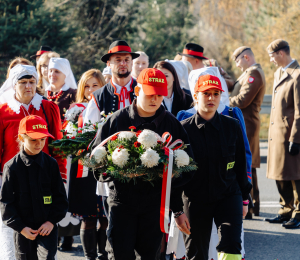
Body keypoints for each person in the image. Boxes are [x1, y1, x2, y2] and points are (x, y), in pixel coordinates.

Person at [92, 68, 194, 260]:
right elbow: (96, 162)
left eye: (159, 95)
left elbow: (188, 165)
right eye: (149, 94)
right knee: (119, 254)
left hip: (154, 206)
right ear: (137, 91)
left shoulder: (172, 124)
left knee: (151, 255)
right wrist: (119, 173)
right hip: (122, 204)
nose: (154, 99)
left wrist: (169, 175)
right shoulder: (117, 121)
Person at [180, 74, 252, 260]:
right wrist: (177, 210)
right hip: (195, 199)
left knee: (231, 247)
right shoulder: (183, 129)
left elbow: (240, 166)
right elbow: (176, 173)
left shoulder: (233, 126)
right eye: (206, 93)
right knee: (196, 252)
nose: (211, 98)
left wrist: (244, 198)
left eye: (216, 94)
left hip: (228, 196)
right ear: (196, 96)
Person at [0, 64, 67, 260]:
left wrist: (61, 176)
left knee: (44, 242)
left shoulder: (48, 107)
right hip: (11, 176)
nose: (28, 86)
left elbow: (58, 145)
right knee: (11, 231)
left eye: (32, 82)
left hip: (43, 175)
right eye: (23, 82)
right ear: (14, 85)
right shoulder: (3, 111)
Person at [67, 69, 107, 260]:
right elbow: (68, 137)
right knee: (88, 216)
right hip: (83, 167)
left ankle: (103, 254)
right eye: (87, 86)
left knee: (106, 217)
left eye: (95, 85)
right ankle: (90, 256)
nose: (90, 90)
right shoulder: (75, 109)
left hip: (103, 165)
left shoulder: (107, 106)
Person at [264, 39, 300, 229]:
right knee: (280, 174)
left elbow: (299, 111)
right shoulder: (279, 73)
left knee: (296, 176)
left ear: (281, 53)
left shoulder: (298, 75)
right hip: (277, 134)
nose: (271, 60)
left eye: (272, 56)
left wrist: (296, 138)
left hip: (290, 134)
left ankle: (298, 213)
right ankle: (285, 210)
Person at [230, 46, 266, 218]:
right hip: (245, 123)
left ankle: (251, 206)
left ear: (246, 57)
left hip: (248, 124)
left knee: (247, 164)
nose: (237, 65)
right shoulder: (249, 73)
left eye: (237, 61)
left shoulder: (254, 74)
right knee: (248, 164)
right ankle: (252, 205)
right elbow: (237, 87)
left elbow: (243, 100)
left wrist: (223, 100)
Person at [46, 57, 77, 121]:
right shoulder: (43, 92)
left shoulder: (72, 94)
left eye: (57, 71)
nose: (52, 74)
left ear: (65, 75)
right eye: (50, 71)